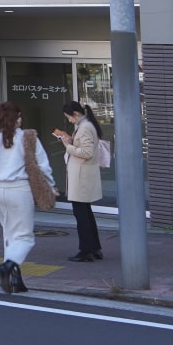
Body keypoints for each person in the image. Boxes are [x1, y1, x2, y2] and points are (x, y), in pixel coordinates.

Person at [0, 101, 55, 294]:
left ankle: (15, 278)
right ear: (16, 118)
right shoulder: (27, 137)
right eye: (20, 116)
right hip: (19, 189)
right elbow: (42, 165)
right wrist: (51, 186)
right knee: (25, 237)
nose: (21, 120)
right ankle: (7, 266)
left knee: (9, 236)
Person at [53, 100, 104, 262]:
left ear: (76, 114)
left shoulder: (84, 127)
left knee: (81, 214)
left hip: (82, 176)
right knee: (86, 213)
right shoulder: (87, 125)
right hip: (84, 175)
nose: (69, 120)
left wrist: (67, 145)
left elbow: (87, 152)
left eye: (69, 117)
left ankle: (86, 250)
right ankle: (94, 248)